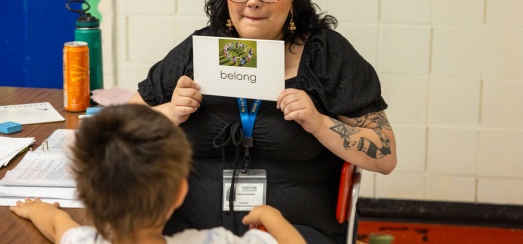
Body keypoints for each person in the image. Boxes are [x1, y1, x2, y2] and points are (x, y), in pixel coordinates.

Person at [128, 0, 398, 244]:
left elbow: (385, 155)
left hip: (294, 231)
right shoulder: (202, 50)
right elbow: (119, 130)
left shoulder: (324, 54)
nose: (253, 0)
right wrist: (170, 113)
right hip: (188, 229)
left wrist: (320, 123)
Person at [10, 104, 305, 244]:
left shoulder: (85, 241)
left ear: (85, 194)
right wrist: (270, 216)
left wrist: (38, 209)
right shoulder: (211, 241)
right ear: (180, 191)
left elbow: (57, 225)